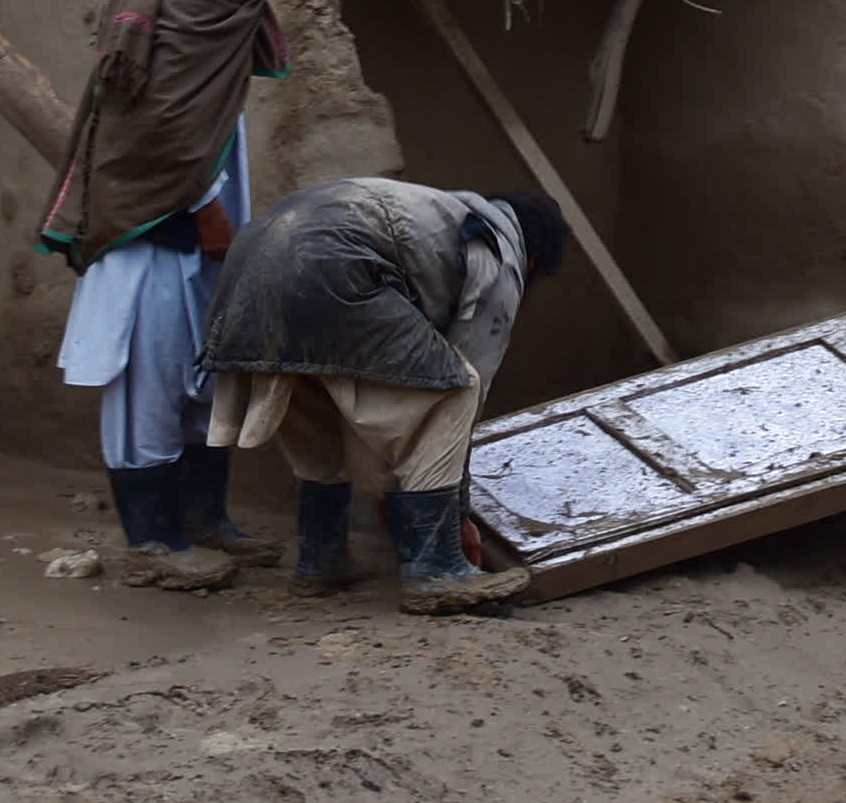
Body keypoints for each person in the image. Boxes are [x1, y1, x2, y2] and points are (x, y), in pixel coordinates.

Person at [39, 0, 325, 589]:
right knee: (147, 380)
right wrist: (204, 213)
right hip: (153, 224)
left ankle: (204, 517)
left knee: (208, 375)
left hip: (207, 211)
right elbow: (158, 123)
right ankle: (152, 543)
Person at [201, 178, 570, 615]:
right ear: (533, 260)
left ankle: (322, 561)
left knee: (319, 398)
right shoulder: (502, 258)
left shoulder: (442, 212)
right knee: (457, 389)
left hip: (247, 270)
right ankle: (436, 571)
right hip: (326, 269)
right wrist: (457, 519)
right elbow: (463, 384)